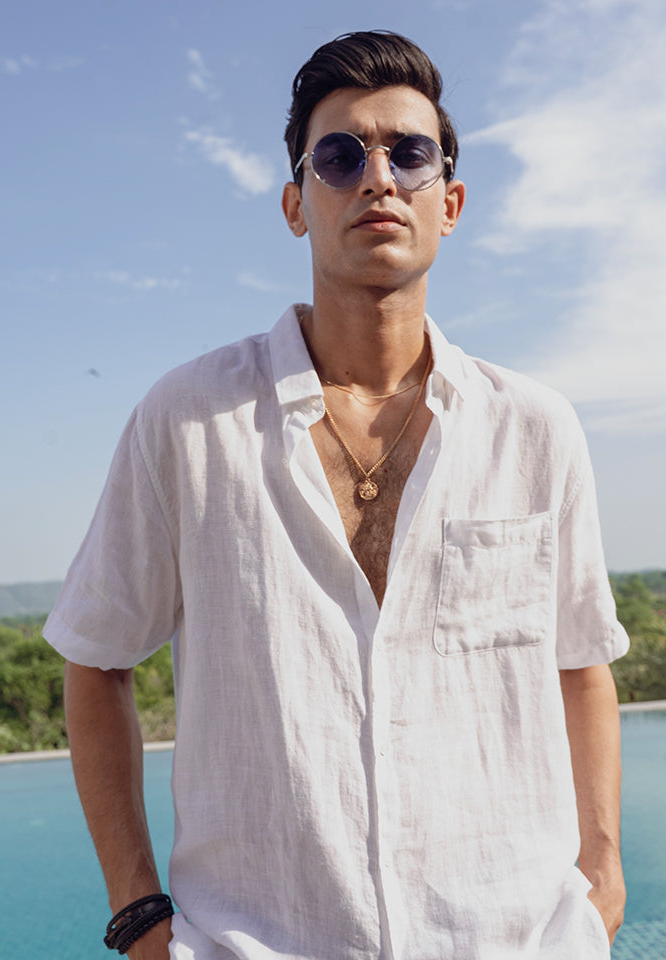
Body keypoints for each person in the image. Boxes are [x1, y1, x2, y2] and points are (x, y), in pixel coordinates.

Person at [44, 30, 629, 960]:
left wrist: (601, 874)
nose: (378, 178)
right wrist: (138, 913)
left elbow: (581, 663)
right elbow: (95, 656)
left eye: (410, 153)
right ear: (296, 204)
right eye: (341, 156)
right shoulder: (188, 420)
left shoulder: (535, 429)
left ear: (450, 202)